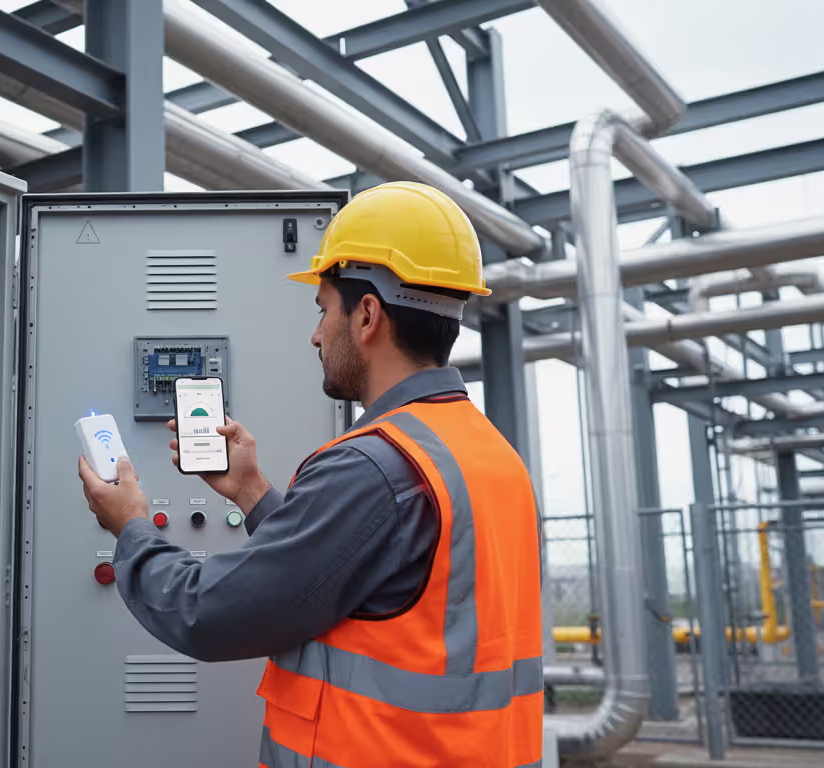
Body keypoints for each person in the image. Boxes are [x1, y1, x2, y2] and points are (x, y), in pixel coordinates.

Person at [78, 181, 543, 768]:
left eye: (324, 310)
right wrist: (250, 492)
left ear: (367, 315)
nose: (316, 335)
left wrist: (131, 528)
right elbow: (368, 578)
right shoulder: (491, 457)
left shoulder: (372, 466)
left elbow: (207, 613)